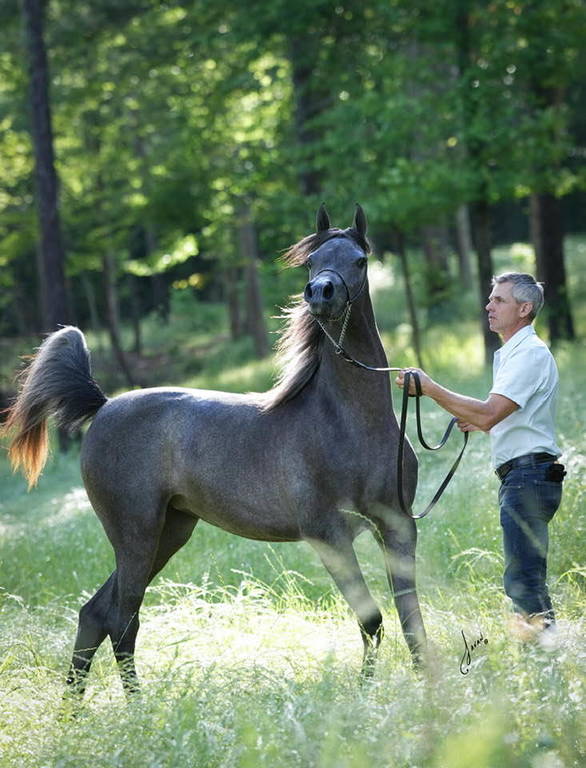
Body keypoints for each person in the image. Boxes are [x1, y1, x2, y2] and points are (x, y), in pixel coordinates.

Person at [396, 272, 565, 640]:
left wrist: (430, 388)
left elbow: (490, 412)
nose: (489, 305)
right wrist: (478, 420)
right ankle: (544, 652)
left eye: (499, 300)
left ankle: (545, 657)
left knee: (523, 579)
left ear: (525, 309)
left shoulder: (530, 354)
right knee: (524, 575)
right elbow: (500, 416)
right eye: (490, 298)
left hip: (529, 478)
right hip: (524, 477)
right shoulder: (511, 354)